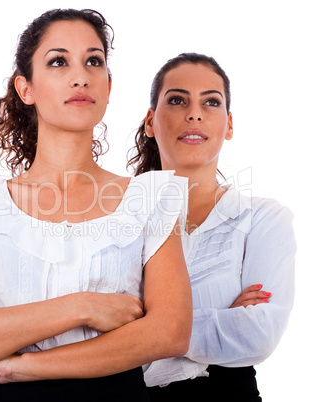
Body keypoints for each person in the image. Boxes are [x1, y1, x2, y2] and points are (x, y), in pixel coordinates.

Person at [0, 9, 193, 402]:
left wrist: (20, 363)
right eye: (58, 61)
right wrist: (81, 307)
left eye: (94, 61)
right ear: (25, 88)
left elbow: (170, 332)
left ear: (109, 86)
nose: (80, 76)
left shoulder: (150, 201)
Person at [127, 53, 296, 402]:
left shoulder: (262, 220)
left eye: (211, 102)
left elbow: (258, 335)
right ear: (150, 121)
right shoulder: (117, 223)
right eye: (176, 100)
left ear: (229, 125)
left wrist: (144, 330)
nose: (194, 113)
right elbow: (89, 336)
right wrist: (220, 322)